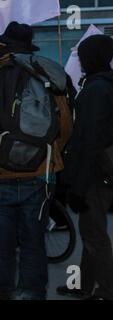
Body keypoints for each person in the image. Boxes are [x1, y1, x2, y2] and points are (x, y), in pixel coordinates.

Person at [0, 21, 72, 300]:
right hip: (41, 174)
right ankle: (32, 294)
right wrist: (48, 154)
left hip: (1, 174)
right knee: (33, 243)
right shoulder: (47, 71)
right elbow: (64, 127)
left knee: (3, 245)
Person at [56, 34, 113, 300]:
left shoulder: (97, 89)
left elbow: (91, 141)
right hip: (99, 173)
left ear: (93, 57)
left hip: (94, 175)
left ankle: (107, 292)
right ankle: (84, 285)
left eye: (83, 56)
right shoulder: (102, 84)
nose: (80, 60)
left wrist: (79, 184)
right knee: (91, 230)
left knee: (95, 235)